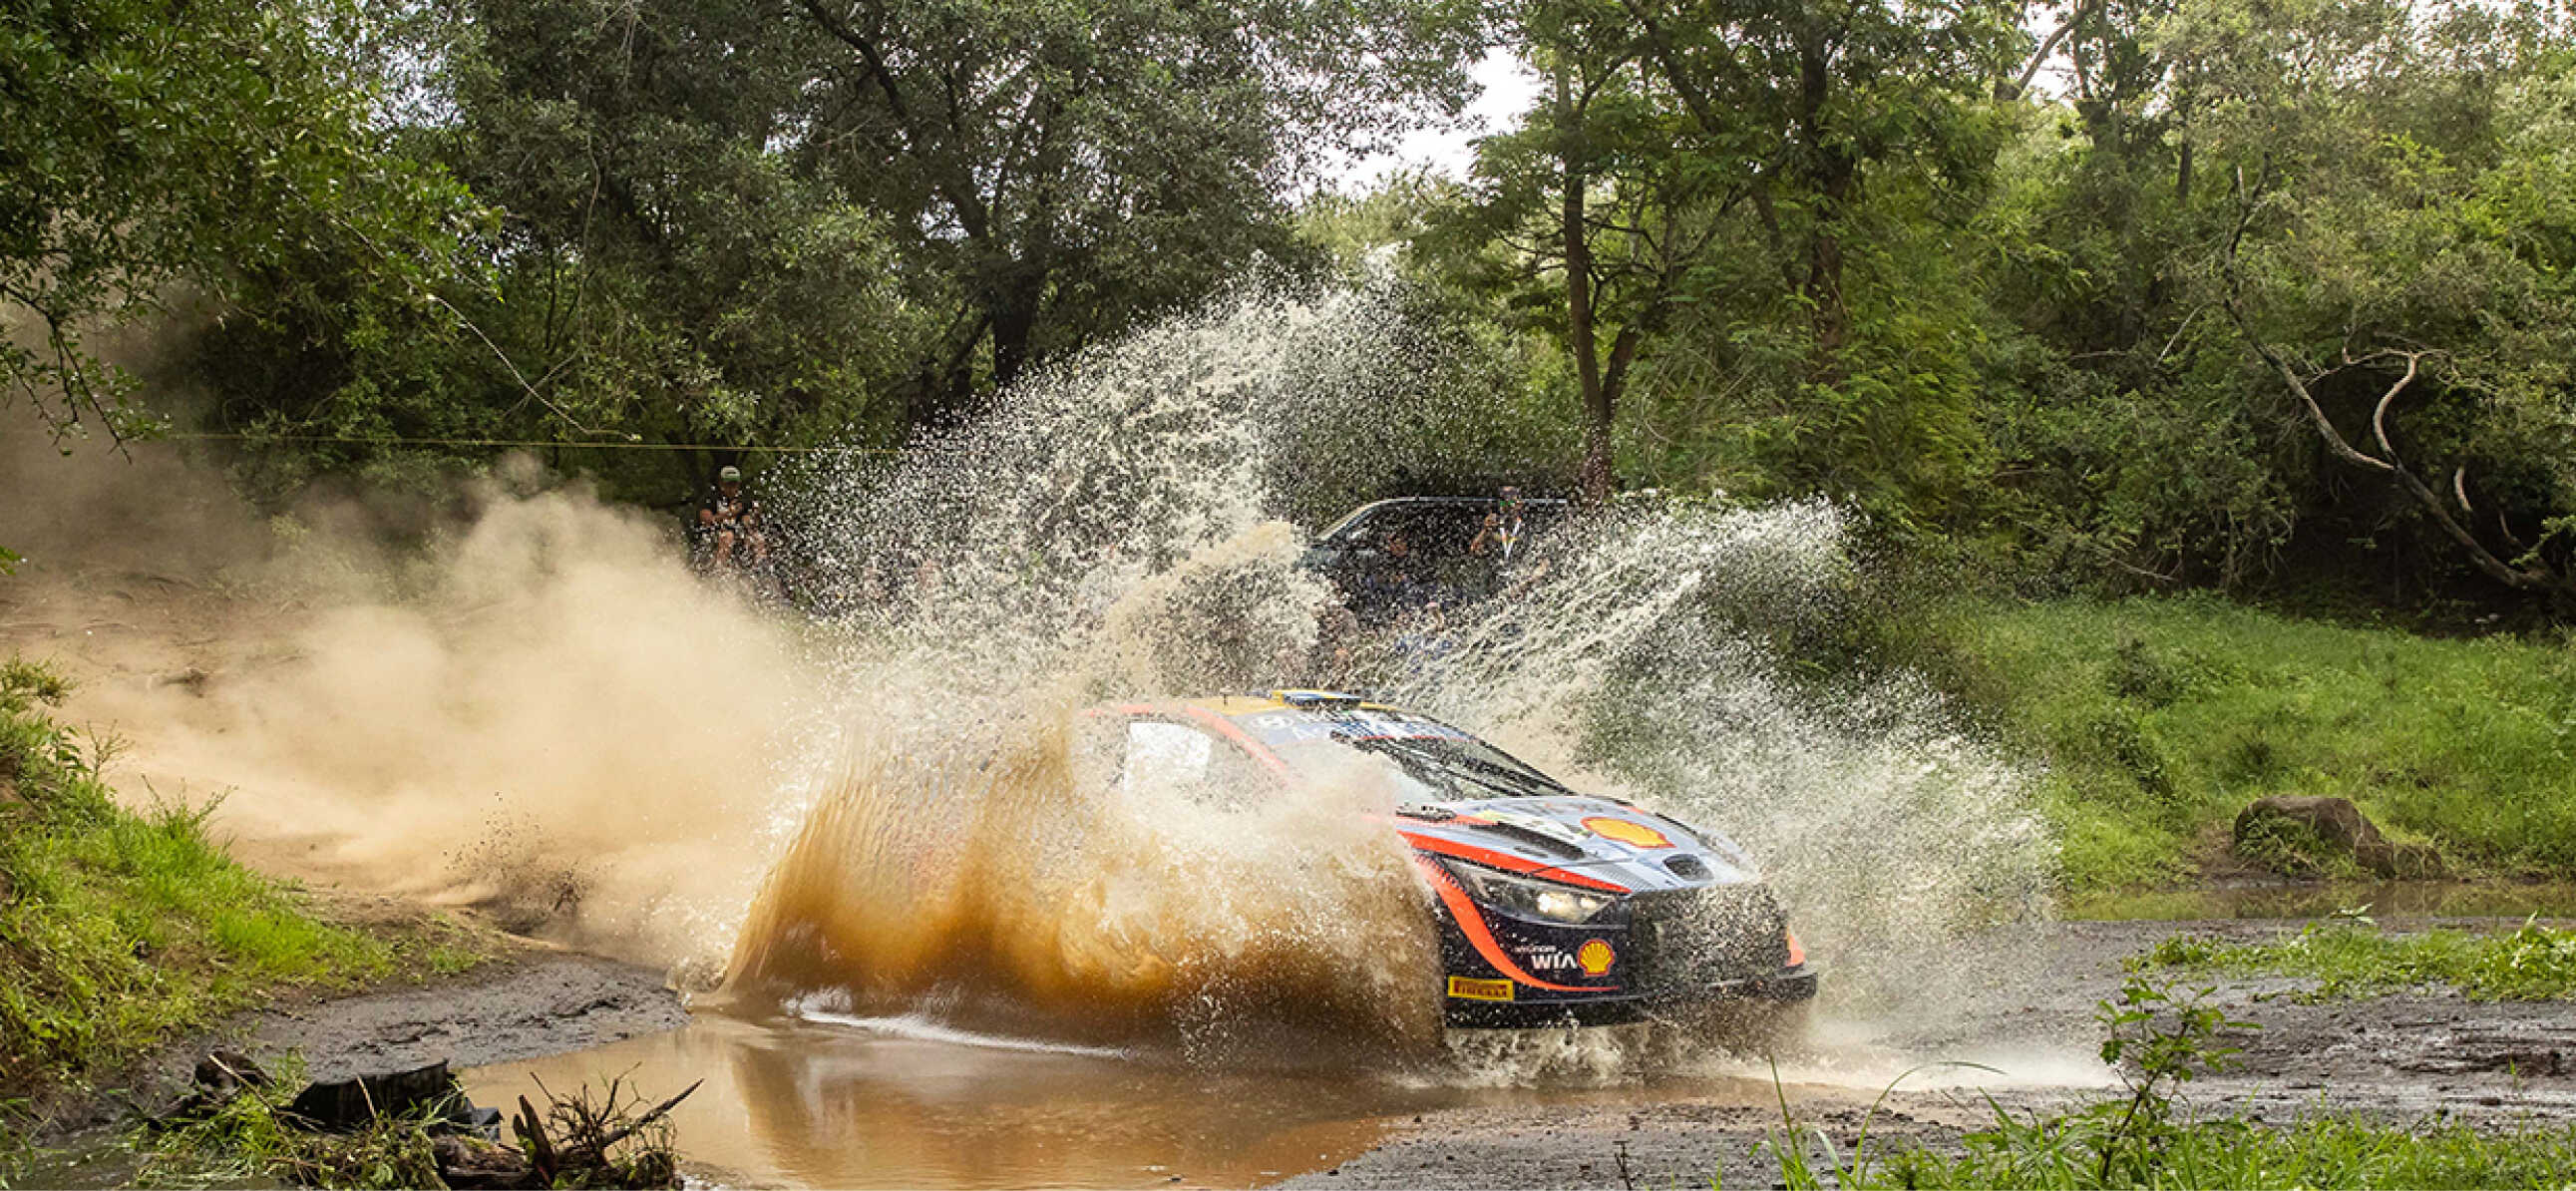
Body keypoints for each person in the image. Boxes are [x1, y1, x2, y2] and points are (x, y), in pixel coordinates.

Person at [697, 465, 771, 572]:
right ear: (721, 483)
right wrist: (729, 514)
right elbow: (706, 520)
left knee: (758, 538)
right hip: (714, 537)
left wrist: (754, 516)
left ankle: (761, 569)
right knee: (728, 536)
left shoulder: (744, 500)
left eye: (734, 484)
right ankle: (719, 570)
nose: (731, 488)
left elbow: (751, 522)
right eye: (728, 484)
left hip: (738, 536)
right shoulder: (710, 498)